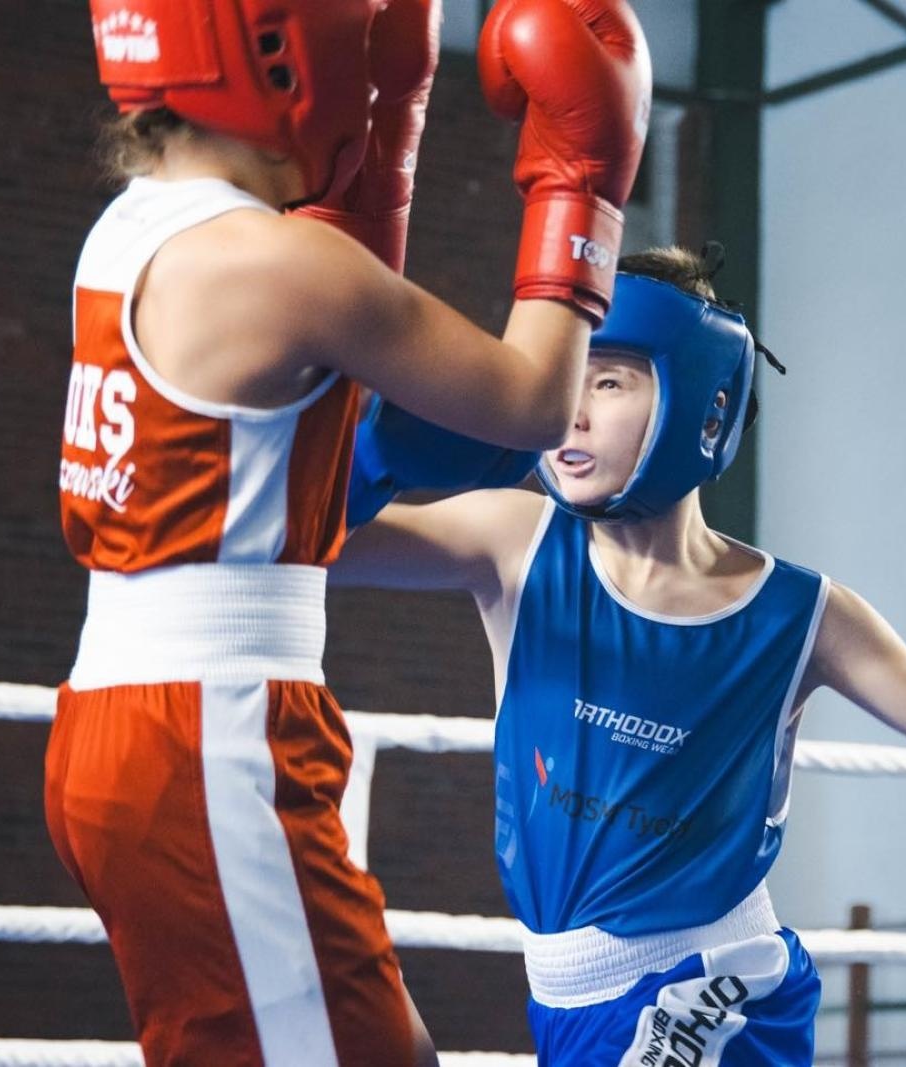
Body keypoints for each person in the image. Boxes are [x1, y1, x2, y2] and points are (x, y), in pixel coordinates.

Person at [329, 244, 906, 1064]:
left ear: (703, 409)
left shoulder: (803, 613)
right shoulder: (516, 543)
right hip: (569, 998)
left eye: (608, 381)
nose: (573, 412)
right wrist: (371, 463)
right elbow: (303, 548)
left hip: (710, 989)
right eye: (564, 380)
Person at [44, 0, 651, 1063]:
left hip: (129, 720)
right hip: (209, 732)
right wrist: (583, 176)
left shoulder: (132, 229)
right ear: (281, 46)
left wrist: (390, 130)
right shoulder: (273, 265)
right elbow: (530, 403)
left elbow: (321, 366)